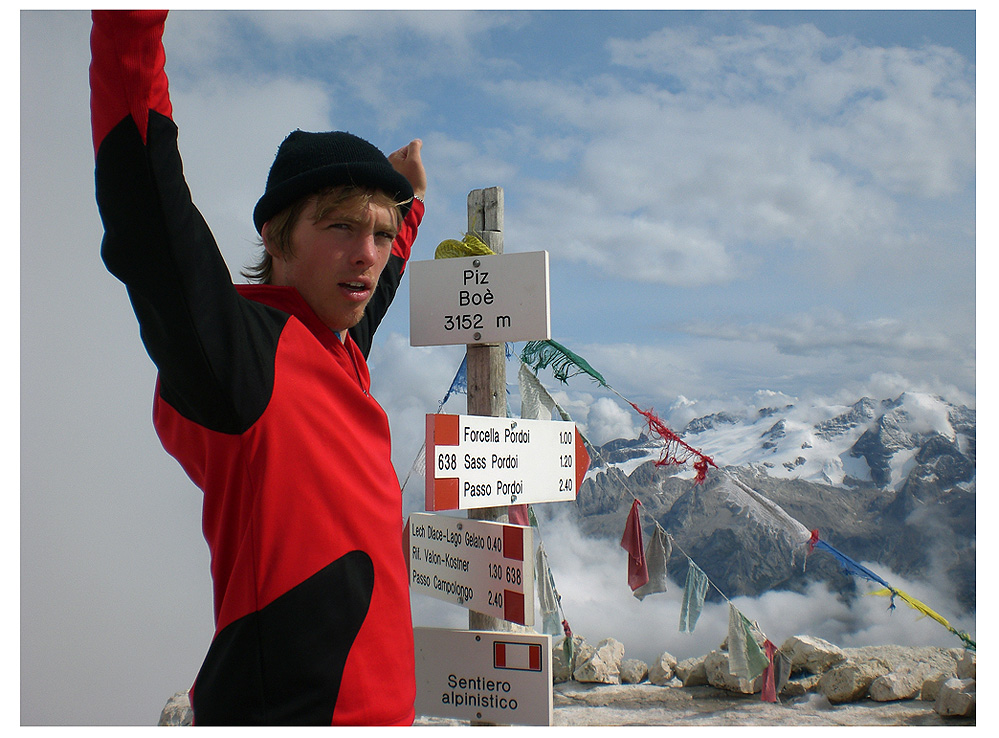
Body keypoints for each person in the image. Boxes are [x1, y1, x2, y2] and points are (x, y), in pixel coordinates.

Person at [90, 10, 426, 725]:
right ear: (275, 234)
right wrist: (130, 33)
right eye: (339, 226)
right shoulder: (241, 355)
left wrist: (408, 205)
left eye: (379, 233)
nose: (366, 252)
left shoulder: (336, 348)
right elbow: (148, 208)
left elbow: (379, 282)